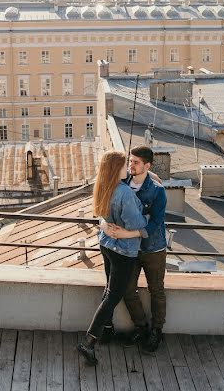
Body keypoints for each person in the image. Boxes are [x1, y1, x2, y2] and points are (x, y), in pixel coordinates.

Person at [77, 151, 148, 366]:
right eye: (125, 165)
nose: (128, 168)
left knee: (109, 289)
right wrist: (147, 217)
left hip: (106, 245)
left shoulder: (103, 187)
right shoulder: (124, 193)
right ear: (117, 168)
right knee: (113, 296)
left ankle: (106, 330)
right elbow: (136, 223)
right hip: (123, 251)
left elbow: (102, 217)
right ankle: (88, 342)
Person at [106, 146, 167, 353]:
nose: (130, 165)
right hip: (128, 251)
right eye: (130, 161)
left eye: (136, 162)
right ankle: (141, 326)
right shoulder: (122, 183)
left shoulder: (158, 191)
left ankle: (157, 331)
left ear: (147, 166)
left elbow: (155, 223)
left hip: (153, 249)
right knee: (126, 289)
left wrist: (126, 234)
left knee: (156, 290)